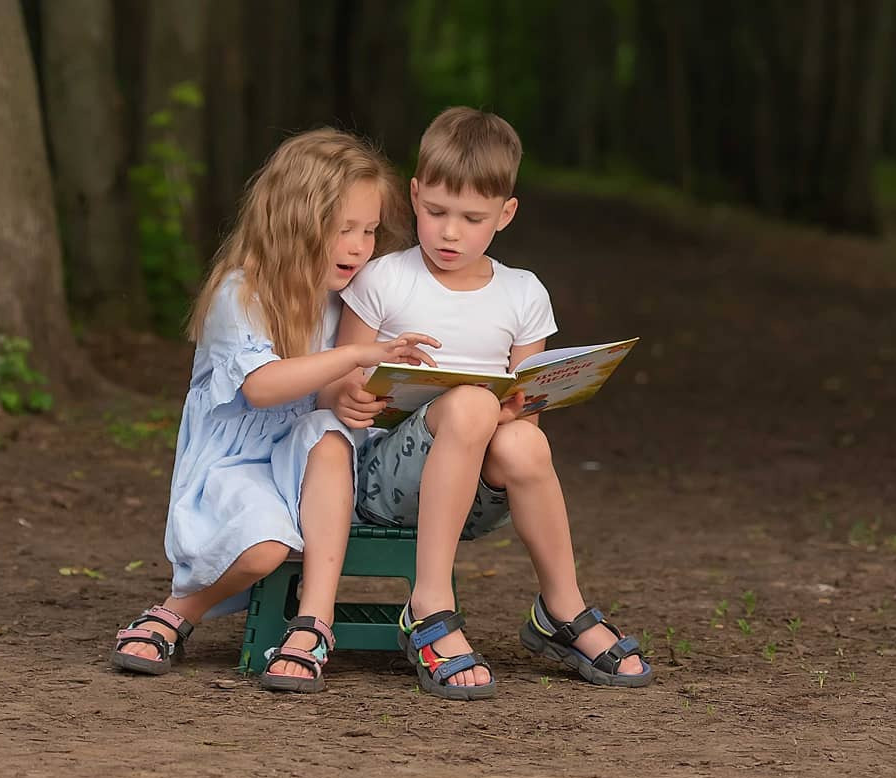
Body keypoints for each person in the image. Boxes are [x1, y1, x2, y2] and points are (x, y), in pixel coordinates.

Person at [324, 107, 652, 700]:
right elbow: (338, 375)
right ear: (415, 194)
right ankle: (428, 604)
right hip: (380, 484)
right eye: (435, 212)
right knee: (472, 405)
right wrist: (346, 394)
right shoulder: (383, 279)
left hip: (475, 493)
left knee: (523, 438)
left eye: (472, 218)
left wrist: (519, 407)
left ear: (505, 214)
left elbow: (529, 397)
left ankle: (561, 607)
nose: (450, 233)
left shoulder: (522, 293)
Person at [111, 129, 438, 693]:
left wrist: (351, 395)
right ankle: (180, 611)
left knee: (330, 431)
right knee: (263, 548)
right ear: (295, 220)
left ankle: (314, 622)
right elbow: (263, 387)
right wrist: (354, 355)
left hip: (307, 458)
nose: (360, 246)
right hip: (237, 463)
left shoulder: (350, 299)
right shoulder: (242, 293)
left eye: (368, 230)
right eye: (344, 230)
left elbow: (325, 396)